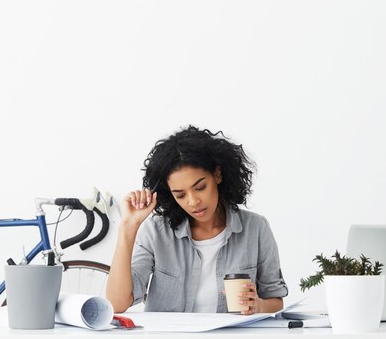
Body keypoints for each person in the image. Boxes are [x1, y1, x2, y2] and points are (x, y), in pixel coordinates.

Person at [105, 125, 288, 314]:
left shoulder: (256, 228)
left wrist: (257, 305)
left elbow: (275, 300)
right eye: (180, 195)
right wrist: (129, 226)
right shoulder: (156, 232)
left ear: (217, 175)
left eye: (200, 187)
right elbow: (117, 304)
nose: (193, 202)